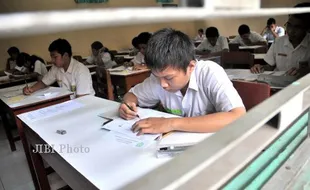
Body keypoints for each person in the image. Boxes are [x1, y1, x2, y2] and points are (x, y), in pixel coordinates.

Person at [119, 28, 246, 135]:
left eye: (169, 78)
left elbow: (237, 116)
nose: (162, 84)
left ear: (190, 67)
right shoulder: (158, 77)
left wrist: (170, 123)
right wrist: (128, 105)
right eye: (157, 76)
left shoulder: (209, 72)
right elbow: (132, 95)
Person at [251, 3, 310, 75]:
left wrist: (306, 73)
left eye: (297, 27)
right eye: (289, 25)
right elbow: (270, 66)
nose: (291, 31)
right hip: (278, 83)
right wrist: (261, 67)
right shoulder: (278, 42)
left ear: (307, 29)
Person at [23, 38, 95, 97]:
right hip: (69, 103)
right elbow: (44, 82)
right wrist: (31, 89)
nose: (52, 60)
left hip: (85, 107)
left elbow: (82, 99)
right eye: (51, 57)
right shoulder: (56, 68)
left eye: (55, 57)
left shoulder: (80, 70)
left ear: (66, 55)